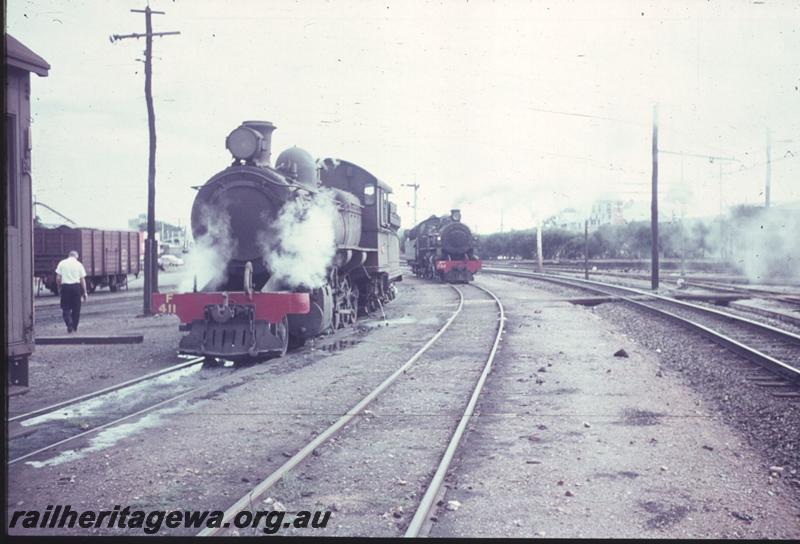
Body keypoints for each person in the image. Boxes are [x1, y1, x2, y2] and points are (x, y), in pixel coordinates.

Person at [55, 250, 88, 333]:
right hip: (76, 288)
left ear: (69, 255)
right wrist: (85, 292)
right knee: (76, 308)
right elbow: (82, 280)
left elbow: (58, 278)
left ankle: (69, 322)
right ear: (76, 256)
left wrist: (59, 287)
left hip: (65, 287)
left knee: (65, 307)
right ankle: (74, 327)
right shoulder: (79, 264)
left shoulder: (62, 263)